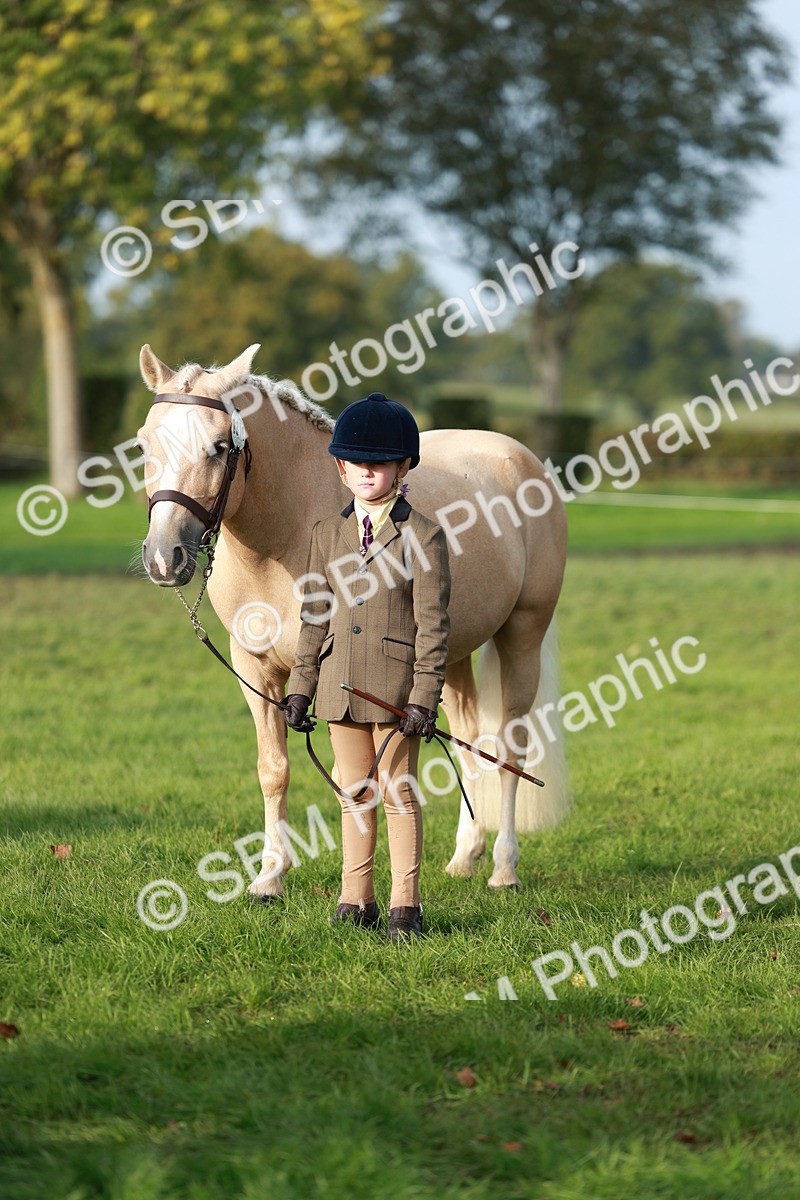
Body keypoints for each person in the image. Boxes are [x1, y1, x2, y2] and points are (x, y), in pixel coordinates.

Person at [281, 391, 451, 940]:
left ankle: (406, 905)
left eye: (380, 463)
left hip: (396, 694)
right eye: (356, 463)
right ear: (340, 468)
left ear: (404, 469)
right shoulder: (325, 535)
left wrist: (424, 698)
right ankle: (356, 898)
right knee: (352, 792)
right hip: (340, 687)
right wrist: (301, 687)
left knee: (397, 792)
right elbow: (314, 617)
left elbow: (433, 628)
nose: (367, 472)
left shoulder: (424, 536)